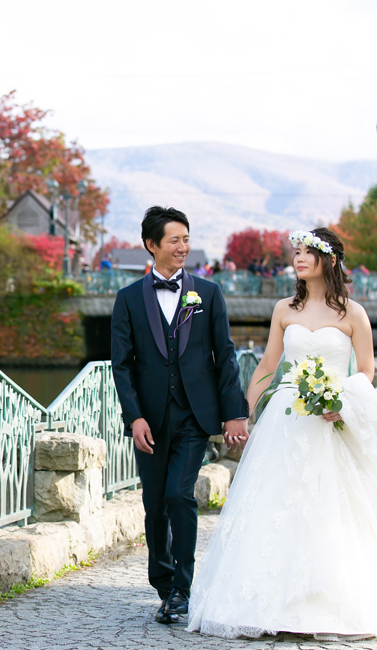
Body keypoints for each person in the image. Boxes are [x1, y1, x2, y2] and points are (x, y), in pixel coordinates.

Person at [187, 228, 377, 640]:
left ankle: (324, 605)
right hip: (286, 419)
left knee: (328, 507)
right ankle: (267, 605)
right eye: (296, 251)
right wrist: (248, 409)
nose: (298, 258)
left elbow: (366, 370)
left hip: (330, 420)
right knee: (275, 504)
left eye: (307, 252)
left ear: (328, 260)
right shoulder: (283, 309)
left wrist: (341, 400)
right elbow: (267, 366)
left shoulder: (353, 313)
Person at [111, 206, 249, 626]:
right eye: (175, 240)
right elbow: (122, 365)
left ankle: (183, 590)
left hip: (193, 417)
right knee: (154, 506)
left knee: (179, 495)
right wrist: (133, 417)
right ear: (152, 246)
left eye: (186, 239)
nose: (183, 247)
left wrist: (234, 414)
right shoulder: (129, 299)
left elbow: (225, 357)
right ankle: (163, 583)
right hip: (150, 421)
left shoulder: (207, 294)